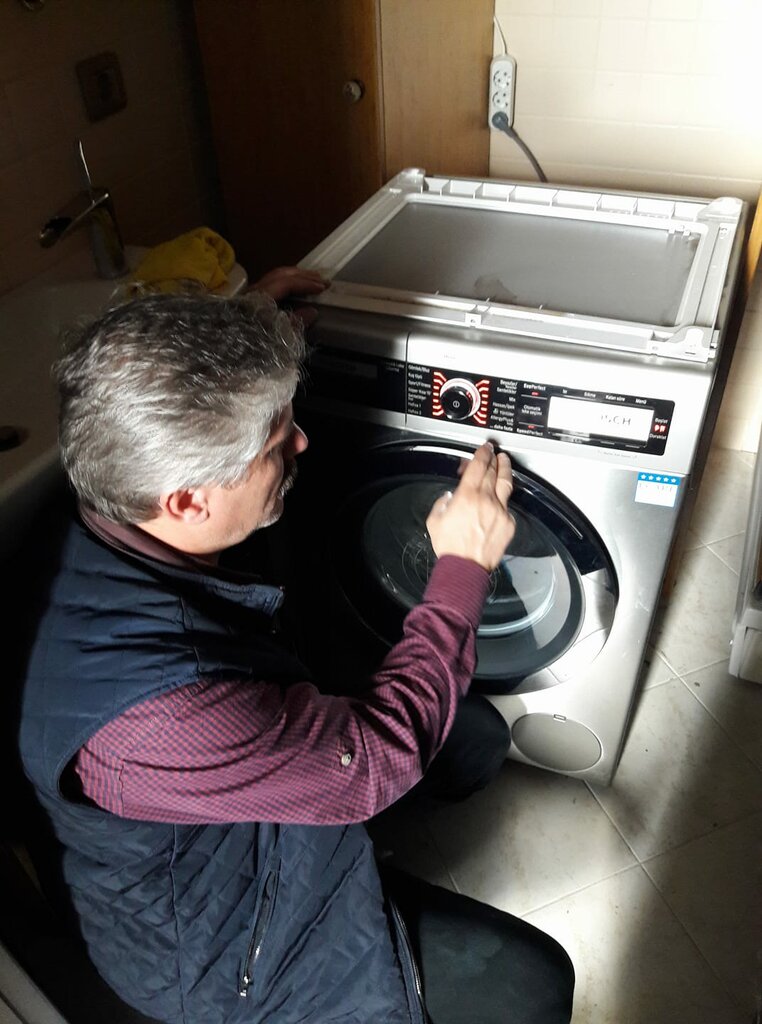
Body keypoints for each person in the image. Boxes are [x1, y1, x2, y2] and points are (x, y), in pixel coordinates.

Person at [19, 268, 575, 1024]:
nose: (302, 441)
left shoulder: (109, 488)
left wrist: (248, 329)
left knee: (473, 739)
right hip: (224, 949)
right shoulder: (160, 715)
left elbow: (162, 376)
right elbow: (372, 763)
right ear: (188, 500)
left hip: (227, 785)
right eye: (277, 440)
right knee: (534, 982)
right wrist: (462, 570)